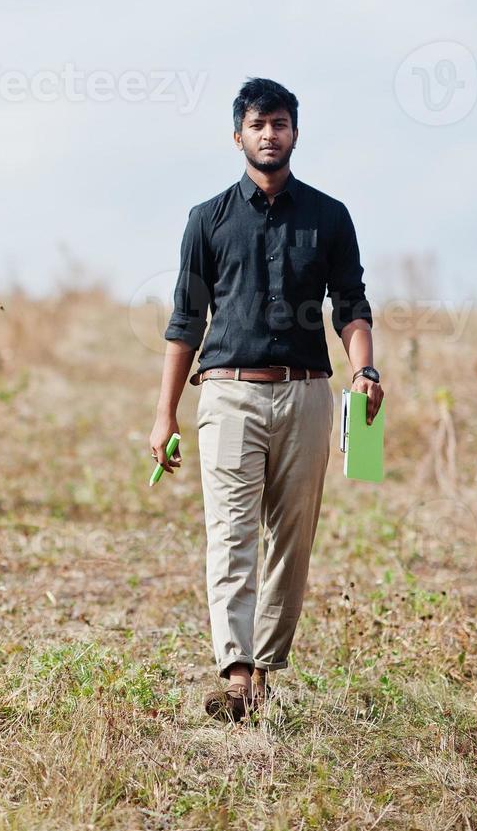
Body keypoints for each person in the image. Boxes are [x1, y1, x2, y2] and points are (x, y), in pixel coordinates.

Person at [148, 77, 384, 722]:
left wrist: (364, 372)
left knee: (292, 539)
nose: (269, 134)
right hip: (227, 396)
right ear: (237, 137)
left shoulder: (330, 217)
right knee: (230, 533)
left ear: (295, 133)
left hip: (308, 397)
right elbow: (184, 321)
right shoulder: (208, 220)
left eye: (279, 123)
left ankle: (266, 669)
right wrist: (163, 413)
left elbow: (352, 305)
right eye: (257, 125)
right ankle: (235, 672)